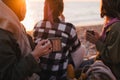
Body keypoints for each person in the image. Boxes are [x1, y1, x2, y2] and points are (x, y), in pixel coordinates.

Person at [0, 0, 52, 80]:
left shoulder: (17, 27)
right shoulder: (3, 36)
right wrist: (35, 55)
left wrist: (38, 49)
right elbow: (9, 76)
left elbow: (23, 51)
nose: (26, 8)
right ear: (20, 7)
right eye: (24, 4)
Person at [33, 0, 84, 80]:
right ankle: (70, 72)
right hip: (59, 77)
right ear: (61, 9)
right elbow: (75, 49)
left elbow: (54, 31)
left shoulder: (37, 25)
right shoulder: (69, 28)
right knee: (81, 48)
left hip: (41, 76)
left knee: (61, 47)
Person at [86, 0, 120, 79]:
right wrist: (100, 38)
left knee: (84, 68)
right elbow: (112, 45)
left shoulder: (116, 27)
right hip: (105, 65)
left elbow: (112, 57)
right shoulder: (112, 23)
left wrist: (97, 42)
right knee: (83, 65)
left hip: (111, 71)